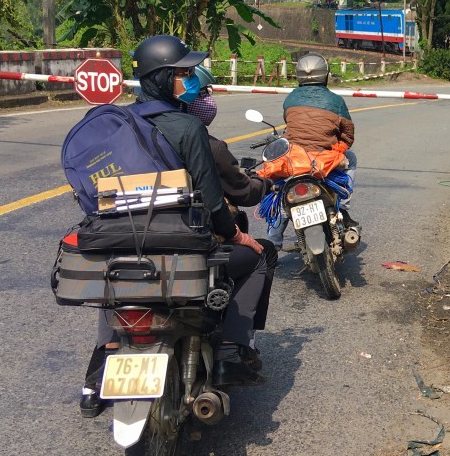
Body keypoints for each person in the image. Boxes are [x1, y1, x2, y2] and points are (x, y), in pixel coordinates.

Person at [80, 36, 267, 418]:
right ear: (164, 78)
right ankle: (232, 350)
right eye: (184, 73)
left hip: (123, 240)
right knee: (260, 257)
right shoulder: (187, 127)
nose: (190, 79)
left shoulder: (117, 124)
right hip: (182, 245)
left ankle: (99, 368)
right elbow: (213, 202)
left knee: (114, 276)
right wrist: (237, 235)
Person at [186, 66, 277, 358]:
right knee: (262, 254)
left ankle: (104, 354)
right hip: (192, 249)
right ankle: (233, 347)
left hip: (132, 249)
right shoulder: (207, 146)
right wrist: (265, 184)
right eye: (203, 93)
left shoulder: (134, 141)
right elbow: (240, 193)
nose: (208, 99)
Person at [267, 52, 358, 248]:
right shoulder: (336, 101)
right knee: (351, 158)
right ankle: (344, 204)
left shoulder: (290, 99)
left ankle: (272, 244)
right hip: (323, 161)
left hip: (294, 160)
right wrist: (339, 148)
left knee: (279, 197)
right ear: (325, 74)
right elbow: (348, 135)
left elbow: (289, 124)